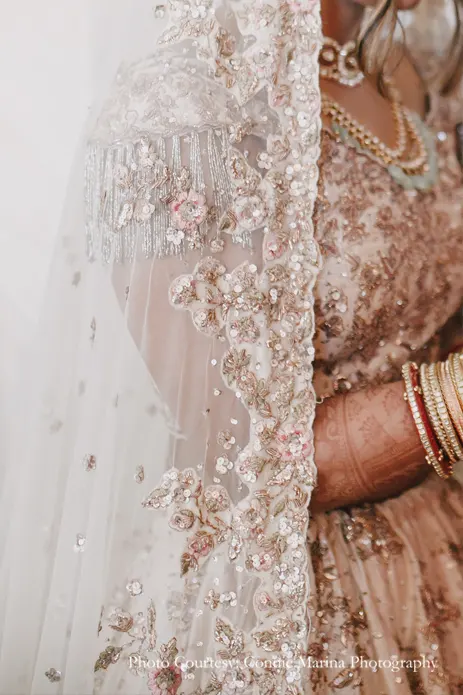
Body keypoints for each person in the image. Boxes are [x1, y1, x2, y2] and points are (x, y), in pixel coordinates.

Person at [1, 0, 463, 693]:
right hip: (302, 596)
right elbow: (264, 463)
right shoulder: (173, 113)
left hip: (441, 522)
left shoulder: (408, 54)